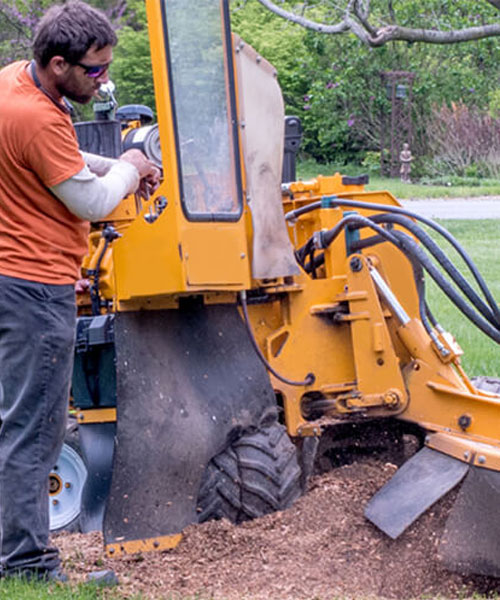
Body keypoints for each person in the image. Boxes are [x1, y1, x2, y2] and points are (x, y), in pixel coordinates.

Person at [0, 1, 160, 581]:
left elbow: (60, 160)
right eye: (94, 71)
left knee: (12, 421)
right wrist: (131, 167)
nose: (103, 79)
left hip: (9, 280)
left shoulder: (15, 84)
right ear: (59, 63)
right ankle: (27, 567)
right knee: (35, 431)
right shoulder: (36, 117)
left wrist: (122, 163)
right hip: (34, 289)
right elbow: (90, 201)